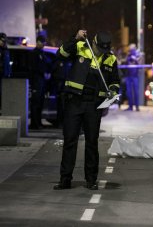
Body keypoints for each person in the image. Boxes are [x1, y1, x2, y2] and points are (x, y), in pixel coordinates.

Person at [54, 30, 120, 190]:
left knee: (92, 143)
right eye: (100, 49)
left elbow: (115, 82)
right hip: (74, 102)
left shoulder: (110, 59)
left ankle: (91, 180)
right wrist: (74, 38)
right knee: (70, 140)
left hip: (94, 105)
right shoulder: (81, 47)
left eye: (106, 50)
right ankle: (65, 179)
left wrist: (113, 92)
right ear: (94, 43)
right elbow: (61, 54)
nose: (102, 52)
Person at [28, 35, 51, 129]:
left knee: (40, 103)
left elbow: (46, 65)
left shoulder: (42, 53)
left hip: (41, 82)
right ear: (38, 42)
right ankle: (34, 123)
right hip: (36, 82)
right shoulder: (34, 53)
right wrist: (43, 73)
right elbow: (33, 68)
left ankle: (38, 122)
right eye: (43, 43)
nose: (44, 45)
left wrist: (47, 73)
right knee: (35, 104)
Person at [123, 43, 141, 111]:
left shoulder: (136, 55)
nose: (130, 49)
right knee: (130, 92)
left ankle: (135, 107)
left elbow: (139, 63)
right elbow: (126, 63)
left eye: (132, 48)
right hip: (129, 76)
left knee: (134, 92)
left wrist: (134, 58)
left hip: (134, 76)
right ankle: (132, 107)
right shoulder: (129, 55)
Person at [0, 33, 11, 109]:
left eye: (4, 41)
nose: (3, 42)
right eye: (2, 41)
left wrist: (9, 72)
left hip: (4, 76)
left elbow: (8, 63)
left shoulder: (6, 50)